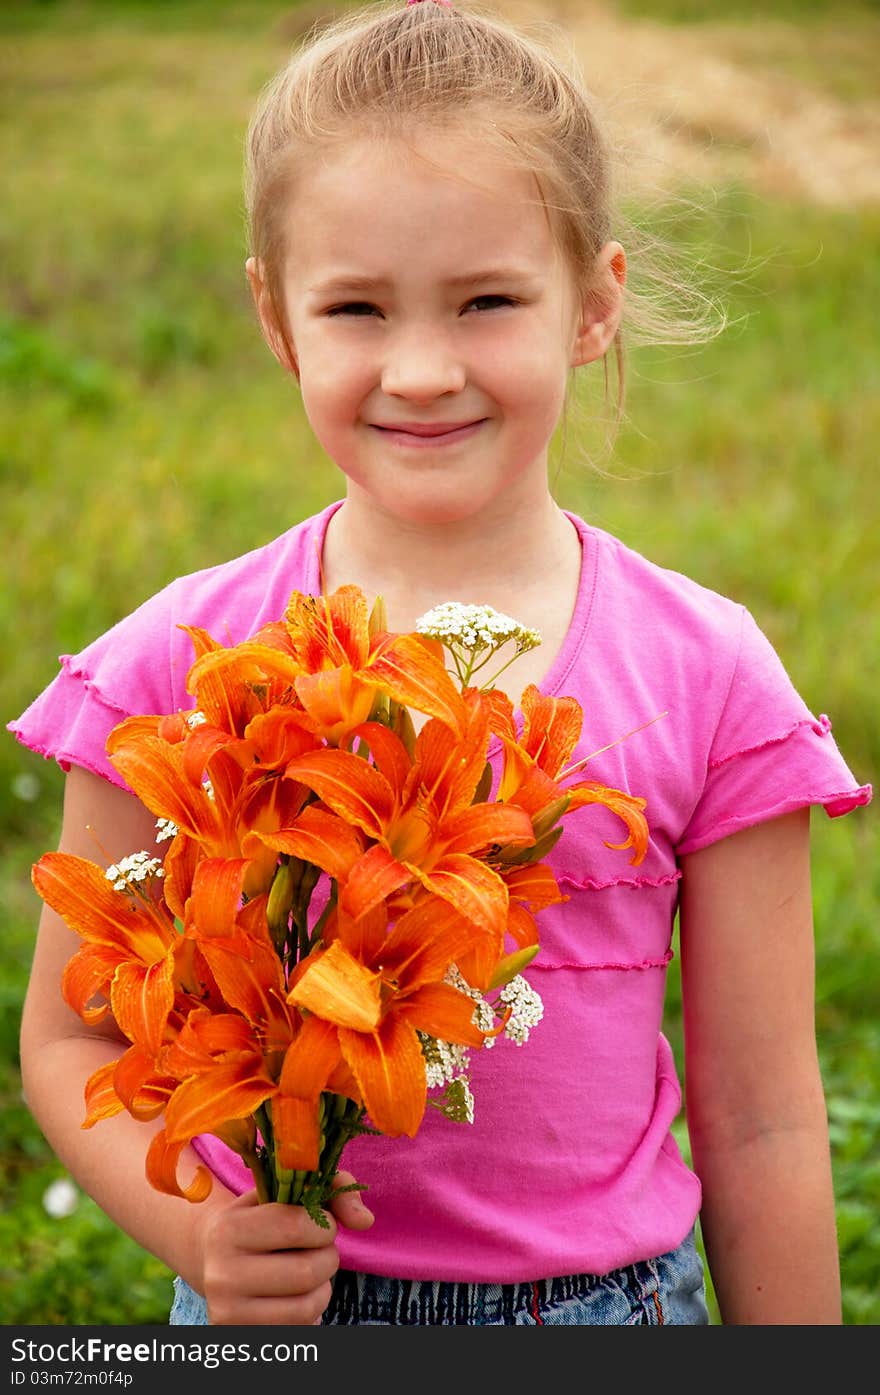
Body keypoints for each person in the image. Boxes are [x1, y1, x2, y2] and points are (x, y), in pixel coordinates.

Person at [10, 0, 872, 1328]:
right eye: (356, 306)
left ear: (593, 305)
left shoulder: (706, 671)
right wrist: (196, 1229)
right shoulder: (177, 663)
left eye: (487, 301)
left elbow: (760, 1119)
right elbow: (72, 1039)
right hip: (273, 1324)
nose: (420, 370)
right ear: (275, 317)